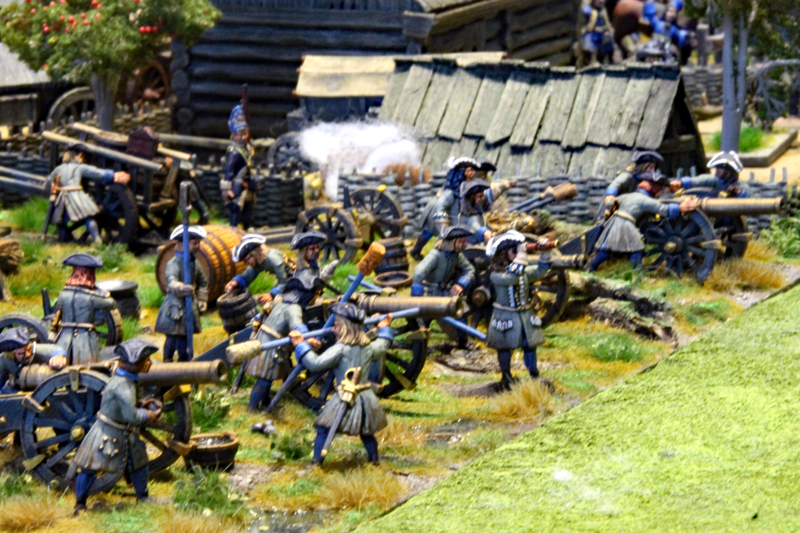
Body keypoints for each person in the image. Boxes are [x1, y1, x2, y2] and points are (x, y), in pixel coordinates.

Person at [289, 302, 394, 466]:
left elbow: (315, 364)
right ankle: (374, 461)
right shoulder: (367, 348)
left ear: (345, 328)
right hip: (365, 397)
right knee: (366, 431)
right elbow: (383, 345)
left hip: (344, 397)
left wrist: (300, 345)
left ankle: (317, 462)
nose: (333, 329)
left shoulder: (340, 349)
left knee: (324, 429)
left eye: (336, 325)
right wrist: (384, 328)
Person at [70, 339, 161, 514]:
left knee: (139, 462)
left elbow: (128, 406)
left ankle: (143, 497)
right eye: (146, 360)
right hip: (108, 432)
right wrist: (149, 415)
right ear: (134, 365)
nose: (149, 363)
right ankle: (80, 504)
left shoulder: (128, 380)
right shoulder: (123, 387)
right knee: (90, 467)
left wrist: (141, 404)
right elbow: (132, 416)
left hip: (124, 431)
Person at [485, 231, 554, 391]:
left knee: (529, 345)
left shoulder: (521, 272)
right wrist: (522, 256)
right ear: (504, 253)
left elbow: (540, 271)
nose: (517, 253)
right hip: (505, 316)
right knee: (504, 346)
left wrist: (545, 252)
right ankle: (506, 375)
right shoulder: (496, 275)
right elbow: (511, 278)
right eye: (513, 251)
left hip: (524, 315)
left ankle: (533, 373)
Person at [245, 271, 323, 411]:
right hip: (272, 344)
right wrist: (308, 338)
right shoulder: (294, 309)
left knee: (267, 379)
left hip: (267, 340)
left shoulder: (282, 302)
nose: (317, 297)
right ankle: (252, 408)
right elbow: (297, 326)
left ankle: (265, 404)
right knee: (264, 380)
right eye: (316, 293)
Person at [589, 172, 698, 271]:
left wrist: (611, 204)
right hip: (626, 224)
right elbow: (662, 209)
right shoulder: (645, 200)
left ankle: (590, 267)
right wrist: (680, 208)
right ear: (653, 188)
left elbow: (611, 203)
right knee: (637, 248)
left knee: (607, 249)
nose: (661, 192)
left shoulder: (628, 195)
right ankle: (636, 273)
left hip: (614, 222)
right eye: (660, 188)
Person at [410, 157, 496, 260]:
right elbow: (441, 205)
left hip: (454, 212)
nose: (473, 173)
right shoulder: (452, 191)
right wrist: (443, 224)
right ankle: (417, 251)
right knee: (429, 232)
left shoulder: (467, 187)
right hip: (439, 210)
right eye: (470, 171)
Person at [49, 143, 130, 243]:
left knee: (60, 218)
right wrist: (112, 175)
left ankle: (65, 238)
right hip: (77, 196)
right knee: (88, 217)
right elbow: (95, 172)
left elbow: (49, 182)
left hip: (64, 198)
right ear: (79, 156)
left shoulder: (58, 169)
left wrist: (53, 187)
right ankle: (97, 239)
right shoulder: (79, 167)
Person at [155, 226, 209, 362]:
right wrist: (180, 287)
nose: (197, 246)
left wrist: (202, 299)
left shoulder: (194, 263)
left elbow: (203, 282)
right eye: (194, 243)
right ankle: (167, 361)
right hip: (175, 306)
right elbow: (171, 280)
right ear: (184, 244)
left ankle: (183, 363)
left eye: (198, 243)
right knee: (172, 337)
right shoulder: (173, 263)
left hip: (189, 305)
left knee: (185, 337)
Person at [52, 253, 117, 366]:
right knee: (87, 364)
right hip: (84, 338)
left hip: (64, 336)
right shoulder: (91, 297)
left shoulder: (63, 294)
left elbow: (56, 309)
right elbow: (111, 304)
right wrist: (101, 291)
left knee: (62, 359)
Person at [226, 233, 290, 307]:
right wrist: (236, 282)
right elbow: (248, 275)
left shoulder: (273, 259)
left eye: (247, 260)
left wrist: (272, 294)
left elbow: (284, 281)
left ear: (254, 254)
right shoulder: (258, 261)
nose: (246, 263)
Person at [411, 225, 475, 298]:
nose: (464, 244)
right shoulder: (435, 255)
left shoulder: (456, 256)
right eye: (460, 242)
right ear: (452, 242)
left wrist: (461, 284)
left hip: (446, 292)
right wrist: (417, 294)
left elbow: (469, 269)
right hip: (431, 294)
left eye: (464, 241)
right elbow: (419, 273)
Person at [0, 327, 67, 394]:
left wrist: (58, 356)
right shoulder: (4, 360)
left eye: (29, 349)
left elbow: (54, 350)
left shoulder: (34, 350)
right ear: (11, 355)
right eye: (21, 353)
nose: (28, 354)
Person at [220, 105, 256, 229]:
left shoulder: (246, 148)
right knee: (235, 208)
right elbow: (229, 171)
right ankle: (233, 229)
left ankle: (246, 228)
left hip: (247, 183)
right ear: (234, 135)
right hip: (237, 184)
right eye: (240, 134)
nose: (243, 137)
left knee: (248, 208)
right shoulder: (234, 152)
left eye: (245, 134)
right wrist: (226, 189)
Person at [457, 178, 516, 244]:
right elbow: (476, 226)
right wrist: (486, 232)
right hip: (471, 246)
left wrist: (502, 187)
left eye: (482, 195)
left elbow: (488, 197)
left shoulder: (476, 206)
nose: (482, 198)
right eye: (480, 196)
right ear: (472, 198)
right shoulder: (469, 216)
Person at [669, 151, 748, 199]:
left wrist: (738, 193)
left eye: (721, 168)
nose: (718, 171)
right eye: (718, 168)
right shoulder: (715, 180)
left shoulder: (740, 185)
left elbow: (748, 201)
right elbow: (699, 180)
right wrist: (681, 183)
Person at [578, 0, 615, 67]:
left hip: (602, 34)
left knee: (608, 44)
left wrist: (609, 30)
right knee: (588, 47)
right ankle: (588, 62)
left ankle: (606, 62)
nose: (601, 2)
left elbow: (607, 23)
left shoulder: (603, 11)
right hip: (591, 34)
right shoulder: (587, 10)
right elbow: (583, 24)